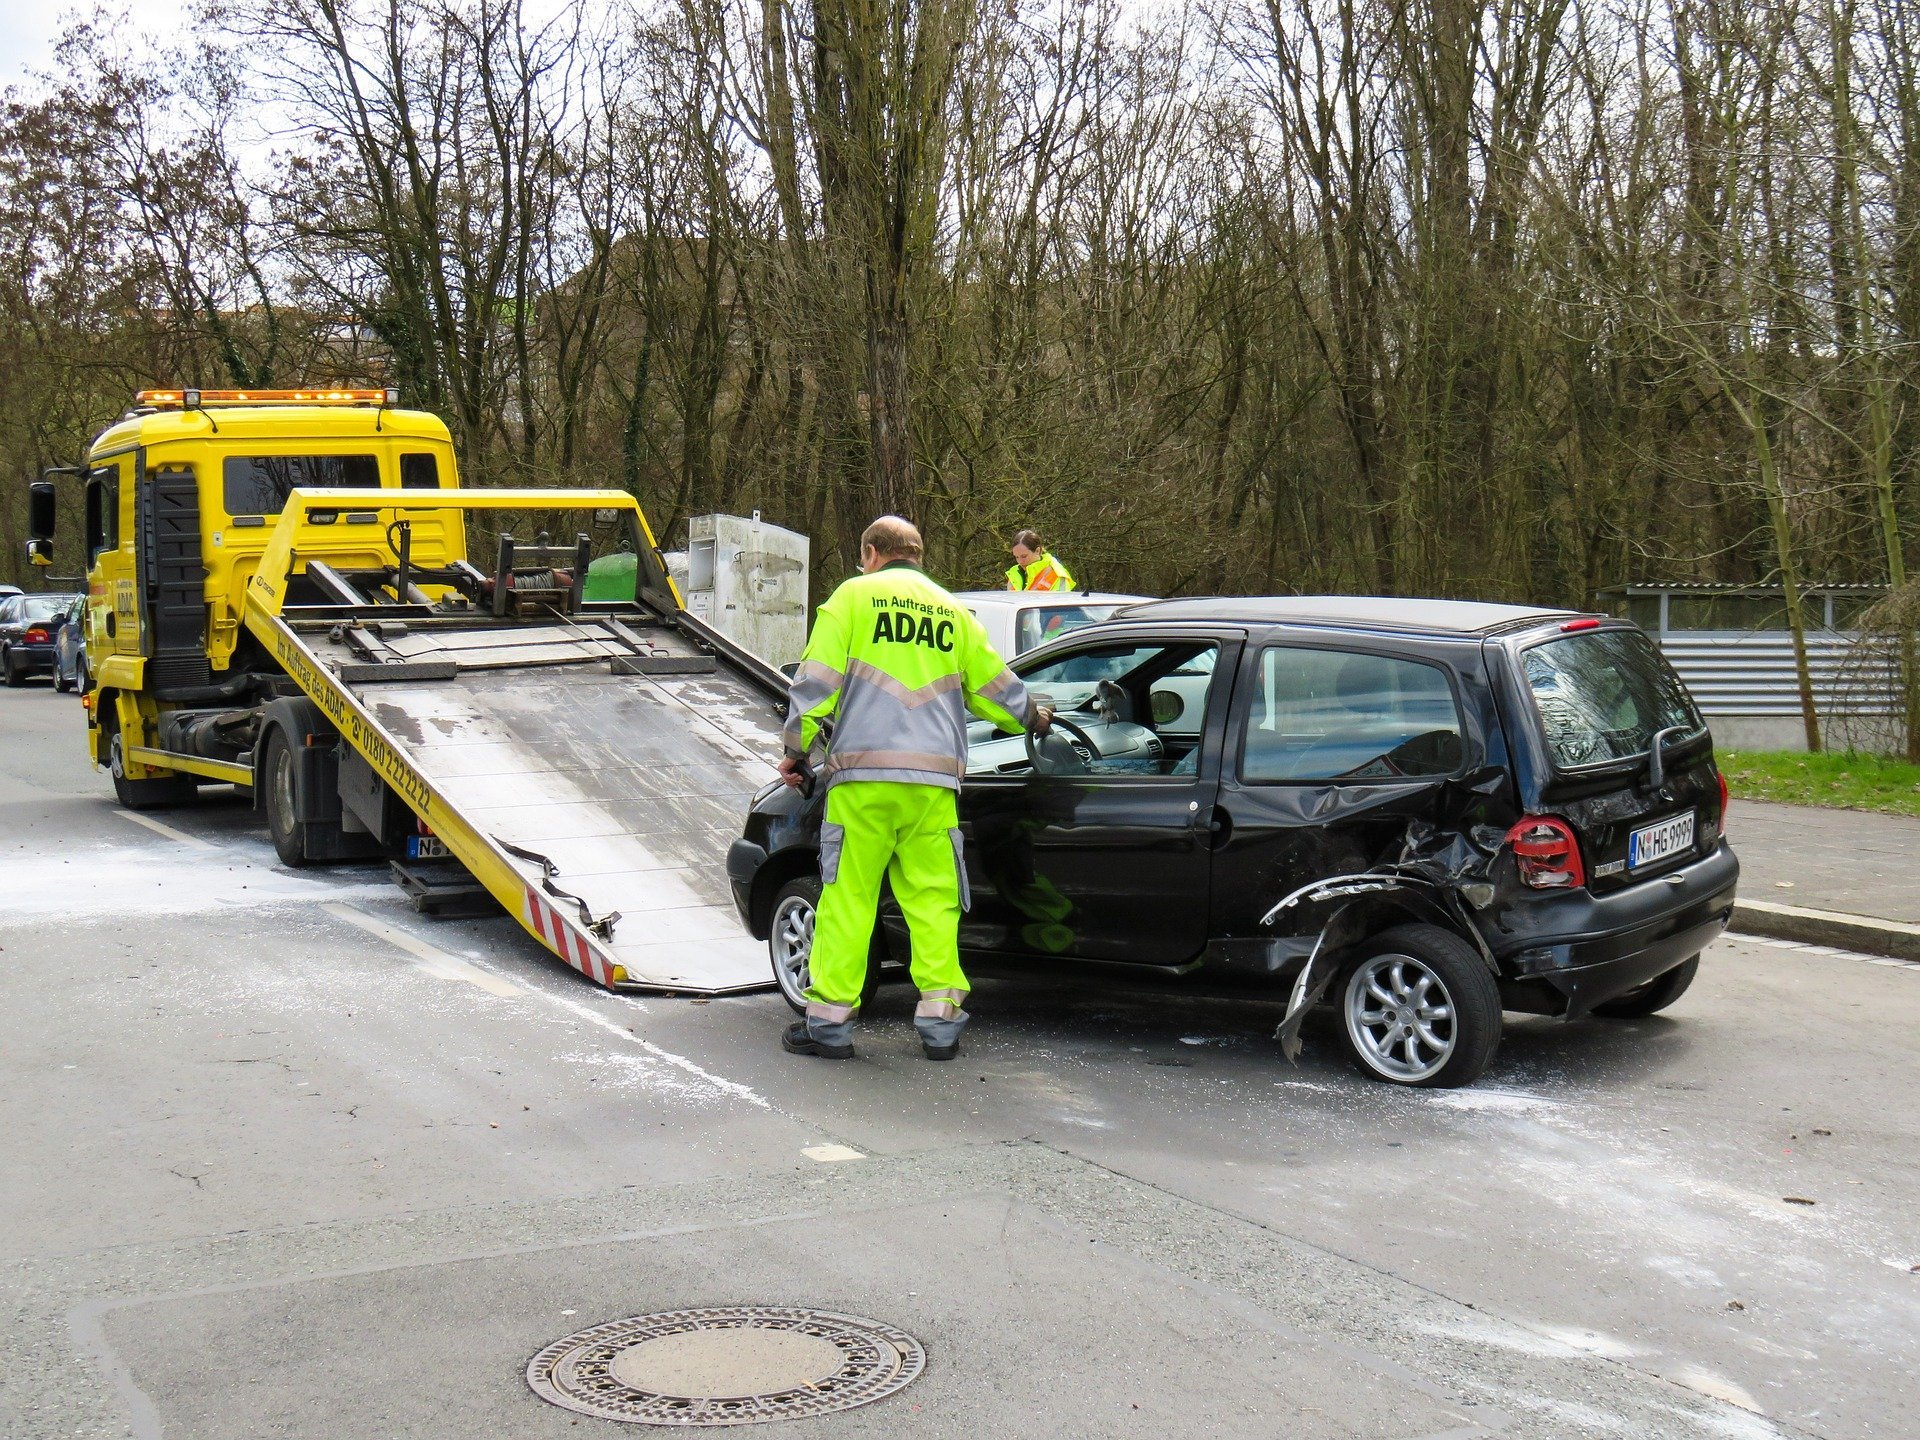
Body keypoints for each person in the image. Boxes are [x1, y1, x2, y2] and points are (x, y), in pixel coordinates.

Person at [779, 516, 1051, 1061]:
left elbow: (816, 685)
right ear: (918, 556)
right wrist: (1035, 717)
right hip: (933, 785)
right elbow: (996, 689)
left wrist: (795, 750)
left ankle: (830, 1024)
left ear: (873, 553)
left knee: (850, 898)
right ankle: (940, 1025)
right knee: (934, 902)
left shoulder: (852, 599)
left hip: (864, 782)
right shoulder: (954, 613)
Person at [1005, 530, 1075, 592]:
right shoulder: (1014, 573)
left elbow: (1060, 605)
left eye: (1024, 556)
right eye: (1016, 557)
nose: (1020, 561)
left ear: (1037, 551)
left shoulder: (1057, 573)